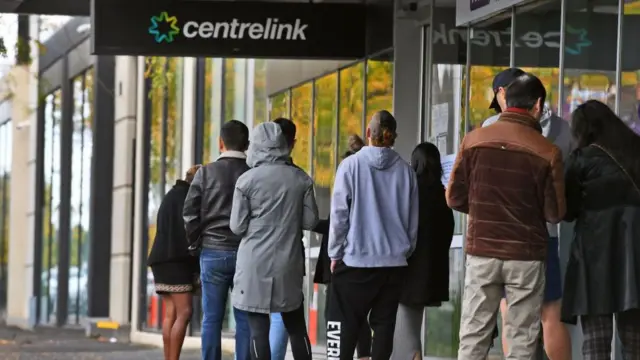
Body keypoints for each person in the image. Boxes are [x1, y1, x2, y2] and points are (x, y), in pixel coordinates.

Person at [447, 73, 565, 360]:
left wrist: (485, 211)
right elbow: (555, 212)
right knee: (522, 339)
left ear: (504, 100)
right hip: (525, 255)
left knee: (474, 336)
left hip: (482, 252)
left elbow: (454, 197)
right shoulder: (548, 151)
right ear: (538, 105)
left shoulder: (473, 141)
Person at [483, 68, 572, 360]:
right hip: (545, 234)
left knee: (511, 313)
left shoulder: (490, 127)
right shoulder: (562, 129)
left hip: (499, 236)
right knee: (550, 313)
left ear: (504, 94)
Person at [326, 110, 419, 360]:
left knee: (342, 323)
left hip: (356, 260)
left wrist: (335, 253)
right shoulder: (406, 171)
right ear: (393, 137)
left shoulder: (350, 166)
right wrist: (403, 251)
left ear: (369, 133)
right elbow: (412, 223)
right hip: (393, 264)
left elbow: (339, 216)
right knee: (384, 325)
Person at [230, 122, 319, 360]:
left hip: (254, 264)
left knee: (258, 329)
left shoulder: (246, 181)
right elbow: (311, 222)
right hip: (288, 262)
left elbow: (237, 226)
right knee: (296, 328)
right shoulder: (301, 179)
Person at [562, 99, 640, 359]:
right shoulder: (636, 150)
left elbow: (568, 211)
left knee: (596, 339)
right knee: (634, 338)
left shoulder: (580, 159)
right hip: (635, 254)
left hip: (593, 255)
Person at [182, 120, 252, 360]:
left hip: (212, 251)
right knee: (244, 317)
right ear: (247, 144)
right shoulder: (253, 172)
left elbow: (190, 213)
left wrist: (195, 244)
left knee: (211, 317)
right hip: (245, 252)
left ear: (220, 143)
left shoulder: (205, 173)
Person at [391, 142, 454, 360]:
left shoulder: (410, 192)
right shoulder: (443, 194)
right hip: (432, 273)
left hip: (408, 272)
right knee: (410, 327)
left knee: (405, 330)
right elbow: (447, 232)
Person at [313, 134, 372, 360]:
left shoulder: (349, 189)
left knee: (335, 314)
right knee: (358, 315)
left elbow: (337, 223)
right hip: (355, 262)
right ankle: (364, 355)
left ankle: (346, 355)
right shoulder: (364, 191)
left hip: (343, 262)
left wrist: (334, 253)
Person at [147, 165, 201, 360]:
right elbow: (189, 233)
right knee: (185, 312)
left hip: (160, 260)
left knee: (171, 313)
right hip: (175, 261)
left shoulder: (172, 195)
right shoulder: (188, 199)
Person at [268, 117, 302, 360]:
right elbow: (310, 219)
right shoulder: (298, 177)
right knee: (283, 313)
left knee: (252, 314)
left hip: (256, 254)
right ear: (293, 142)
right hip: (290, 253)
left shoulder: (252, 174)